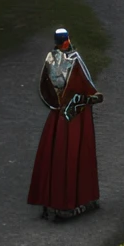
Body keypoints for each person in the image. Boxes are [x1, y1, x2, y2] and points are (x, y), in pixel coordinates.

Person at [27, 26, 103, 219]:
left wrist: (57, 104)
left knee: (54, 154)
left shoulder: (50, 58)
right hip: (76, 113)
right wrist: (94, 97)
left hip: (57, 114)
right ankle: (71, 202)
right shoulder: (74, 59)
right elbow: (88, 85)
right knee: (74, 154)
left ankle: (50, 201)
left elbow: (44, 87)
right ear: (67, 40)